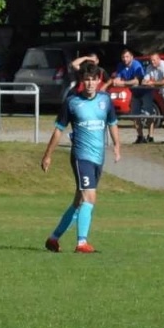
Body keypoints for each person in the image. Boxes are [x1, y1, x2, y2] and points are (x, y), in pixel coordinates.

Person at [40, 62, 121, 255]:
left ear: (99, 81)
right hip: (80, 157)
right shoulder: (72, 102)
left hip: (98, 157)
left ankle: (53, 238)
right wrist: (47, 155)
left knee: (79, 201)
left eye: (94, 79)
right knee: (89, 196)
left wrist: (117, 145)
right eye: (87, 79)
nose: (90, 83)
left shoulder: (105, 100)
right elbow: (59, 130)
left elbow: (112, 123)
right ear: (82, 81)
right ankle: (81, 243)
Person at [110, 48, 148, 143]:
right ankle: (140, 136)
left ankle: (150, 136)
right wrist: (126, 83)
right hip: (134, 93)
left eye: (127, 57)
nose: (125, 59)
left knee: (149, 115)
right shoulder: (120, 65)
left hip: (145, 92)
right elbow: (116, 81)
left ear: (131, 57)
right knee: (135, 115)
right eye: (123, 57)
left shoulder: (136, 65)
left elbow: (136, 81)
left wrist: (123, 83)